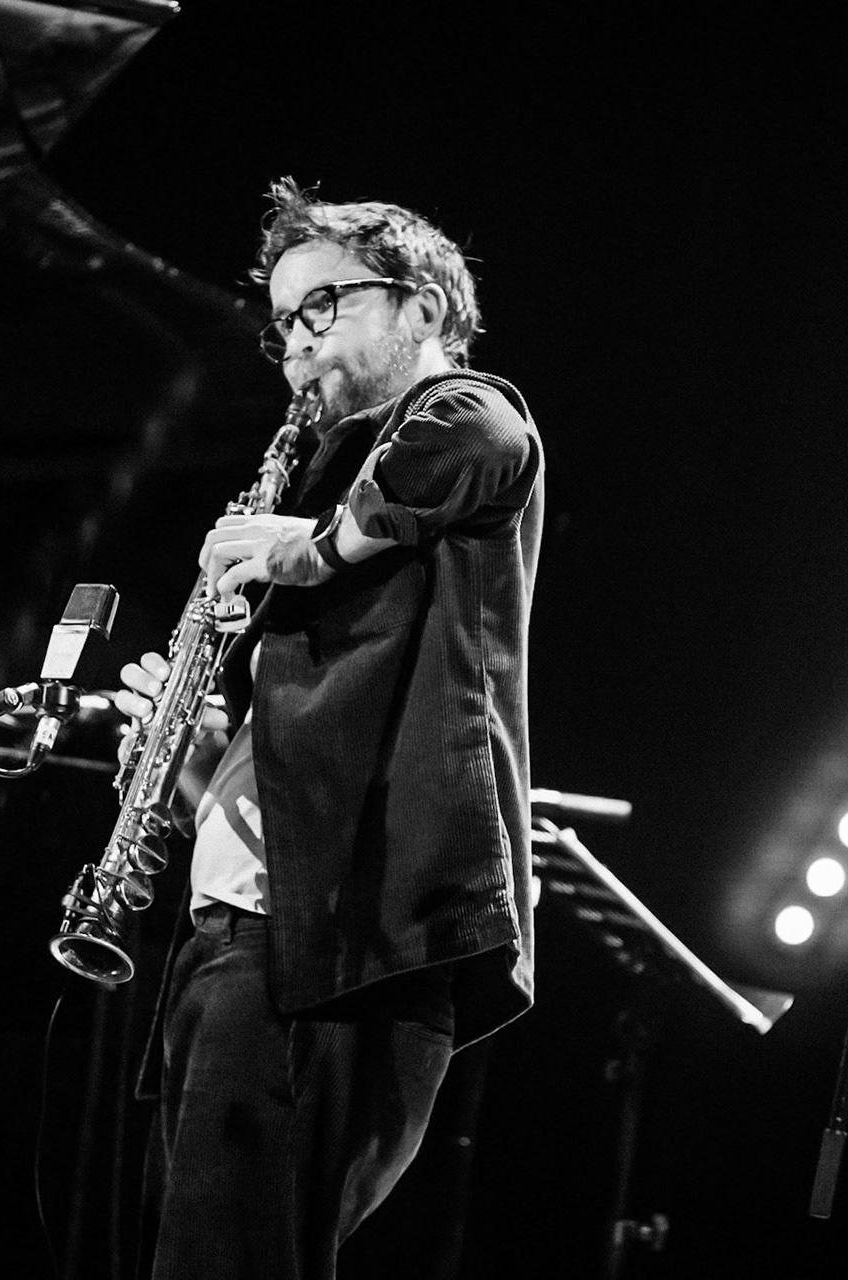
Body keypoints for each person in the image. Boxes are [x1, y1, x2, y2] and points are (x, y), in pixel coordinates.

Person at [116, 179, 543, 1279]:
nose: (300, 347)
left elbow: (490, 427)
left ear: (426, 307)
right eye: (285, 325)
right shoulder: (354, 497)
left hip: (347, 943)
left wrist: (296, 547)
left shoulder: (456, 421)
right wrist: (200, 762)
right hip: (244, 929)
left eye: (326, 308)